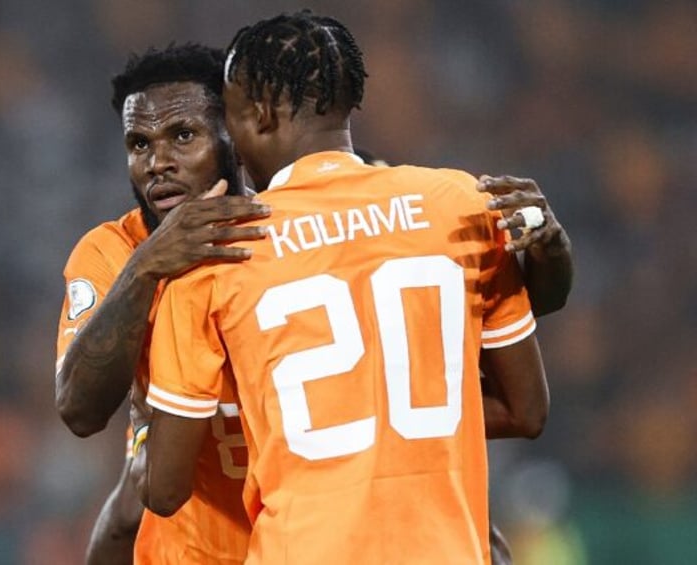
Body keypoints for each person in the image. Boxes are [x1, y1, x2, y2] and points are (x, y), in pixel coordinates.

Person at [139, 11, 550, 564]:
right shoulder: (462, 204)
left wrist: (146, 421)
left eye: (230, 116)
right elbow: (527, 411)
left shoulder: (215, 250)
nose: (230, 142)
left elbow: (164, 489)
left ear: (258, 113)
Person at [55, 44, 267, 564]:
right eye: (139, 144)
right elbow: (79, 410)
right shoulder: (113, 252)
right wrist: (147, 267)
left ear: (234, 137)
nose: (158, 163)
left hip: (305, 541)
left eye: (184, 136)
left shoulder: (289, 231)